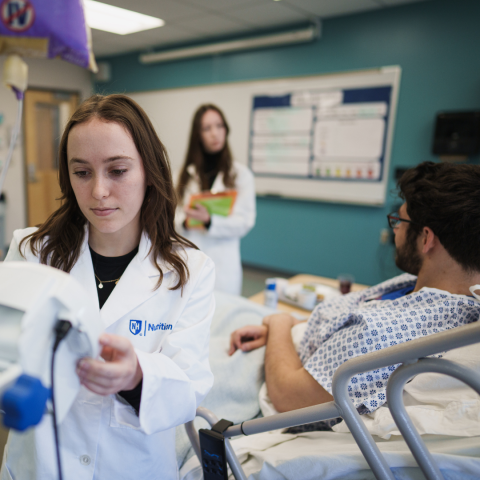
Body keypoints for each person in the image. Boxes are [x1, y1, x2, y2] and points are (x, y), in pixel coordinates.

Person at [1, 94, 215, 479]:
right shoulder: (31, 251)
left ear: (149, 171)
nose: (99, 191)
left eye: (117, 170)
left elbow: (189, 388)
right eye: (82, 172)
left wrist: (137, 376)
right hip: (42, 464)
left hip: (133, 465)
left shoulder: (190, 270)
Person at [229, 161, 480, 422]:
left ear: (426, 238)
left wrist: (279, 321)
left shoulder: (384, 333)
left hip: (271, 382)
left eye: (400, 220)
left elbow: (287, 396)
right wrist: (292, 327)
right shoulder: (436, 291)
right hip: (293, 342)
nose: (396, 229)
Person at [175, 104, 256, 295]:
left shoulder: (241, 175)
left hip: (223, 268)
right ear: (198, 135)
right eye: (207, 128)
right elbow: (168, 218)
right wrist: (186, 221)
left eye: (219, 126)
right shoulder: (181, 176)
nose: (215, 133)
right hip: (188, 264)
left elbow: (244, 222)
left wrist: (210, 221)